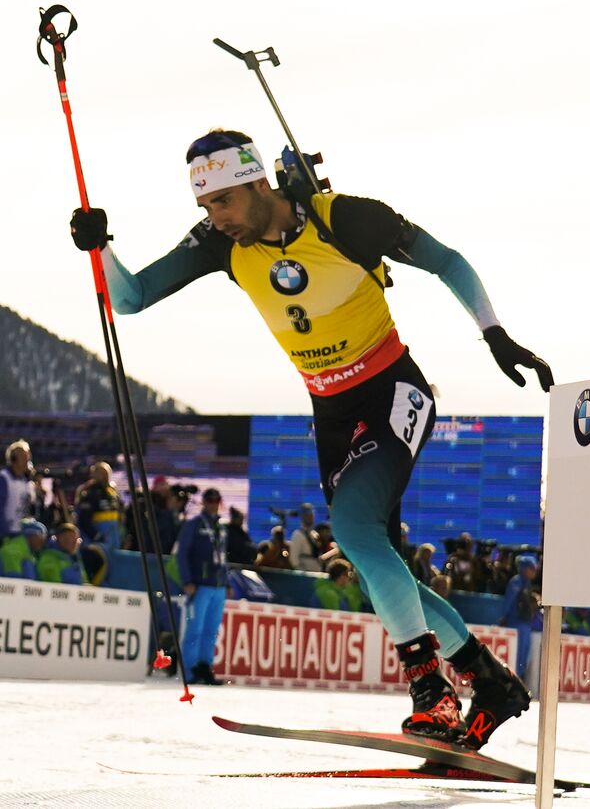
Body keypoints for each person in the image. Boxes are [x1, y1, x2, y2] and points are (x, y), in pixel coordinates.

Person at [70, 129, 550, 747]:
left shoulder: (344, 219)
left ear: (253, 184)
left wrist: (495, 334)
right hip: (330, 410)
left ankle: (431, 690)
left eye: (222, 203)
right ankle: (490, 681)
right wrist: (99, 245)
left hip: (393, 390)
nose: (215, 220)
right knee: (383, 565)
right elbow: (130, 298)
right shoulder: (221, 244)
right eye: (205, 208)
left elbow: (446, 260)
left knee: (354, 531)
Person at [176, 488, 229, 685]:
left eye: (216, 500)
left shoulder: (221, 528)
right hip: (200, 586)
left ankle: (205, 667)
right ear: (204, 502)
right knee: (195, 629)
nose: (213, 503)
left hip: (218, 586)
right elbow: (182, 554)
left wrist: (227, 582)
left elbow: (223, 558)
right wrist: (187, 580)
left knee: (211, 630)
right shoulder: (194, 525)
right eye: (210, 500)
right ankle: (189, 671)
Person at [498, 554, 541, 677]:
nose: (534, 572)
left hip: (525, 624)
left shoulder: (527, 583)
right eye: (532, 569)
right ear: (525, 568)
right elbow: (509, 601)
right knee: (516, 654)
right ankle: (514, 679)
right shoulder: (516, 581)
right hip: (516, 623)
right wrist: (504, 616)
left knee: (524, 655)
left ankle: (520, 678)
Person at [73, 462, 123, 547]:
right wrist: (97, 536)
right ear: (94, 474)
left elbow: (120, 513)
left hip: (113, 536)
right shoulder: (89, 492)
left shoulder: (112, 492)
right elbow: (83, 519)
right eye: (101, 473)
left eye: (106, 473)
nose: (104, 476)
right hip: (96, 539)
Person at [1, 441, 38, 537]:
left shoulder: (26, 482)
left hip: (19, 532)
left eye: (28, 457)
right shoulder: (3, 479)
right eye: (24, 457)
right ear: (13, 459)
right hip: (4, 534)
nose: (27, 460)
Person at [288, 502, 324, 572]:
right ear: (302, 516)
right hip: (305, 573)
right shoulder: (297, 534)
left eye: (311, 515)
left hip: (317, 572)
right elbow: (294, 559)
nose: (310, 517)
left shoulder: (315, 534)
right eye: (307, 515)